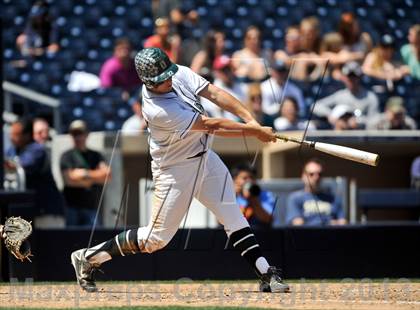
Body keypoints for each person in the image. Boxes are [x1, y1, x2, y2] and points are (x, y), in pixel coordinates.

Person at [70, 47, 289, 293]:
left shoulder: (178, 72)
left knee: (232, 215)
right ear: (147, 82)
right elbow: (209, 124)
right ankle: (88, 257)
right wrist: (253, 132)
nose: (169, 80)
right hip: (175, 171)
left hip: (205, 159)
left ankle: (266, 274)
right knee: (155, 239)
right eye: (161, 79)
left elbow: (215, 93)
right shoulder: (157, 109)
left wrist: (252, 121)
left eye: (169, 74)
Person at [5, 118, 65, 228]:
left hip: (47, 213)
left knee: (51, 245)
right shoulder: (12, 150)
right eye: (11, 134)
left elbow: (20, 166)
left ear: (27, 135)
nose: (11, 138)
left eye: (16, 134)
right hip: (29, 213)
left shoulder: (37, 149)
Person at [60, 120, 111, 226]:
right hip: (72, 207)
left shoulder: (96, 155)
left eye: (80, 134)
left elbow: (107, 175)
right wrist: (96, 176)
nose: (78, 137)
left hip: (92, 207)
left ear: (87, 134)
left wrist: (84, 174)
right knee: (71, 240)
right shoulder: (66, 156)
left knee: (95, 240)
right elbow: (69, 179)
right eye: (74, 134)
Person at [313, 61, 379, 128]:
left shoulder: (370, 97)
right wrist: (332, 116)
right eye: (348, 77)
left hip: (361, 135)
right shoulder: (340, 95)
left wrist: (359, 121)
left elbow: (375, 119)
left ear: (360, 77)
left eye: (354, 77)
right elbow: (315, 106)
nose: (351, 80)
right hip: (340, 135)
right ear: (344, 78)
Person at [286, 158, 346, 226]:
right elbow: (298, 224)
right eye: (311, 174)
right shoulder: (295, 198)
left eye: (320, 174)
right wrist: (329, 223)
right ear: (303, 176)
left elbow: (342, 222)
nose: (316, 177)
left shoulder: (333, 198)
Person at [232, 164, 274, 228]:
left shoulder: (266, 195)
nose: (249, 181)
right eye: (244, 178)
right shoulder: (230, 196)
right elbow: (220, 220)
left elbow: (268, 219)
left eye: (252, 177)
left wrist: (252, 198)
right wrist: (232, 196)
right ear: (235, 180)